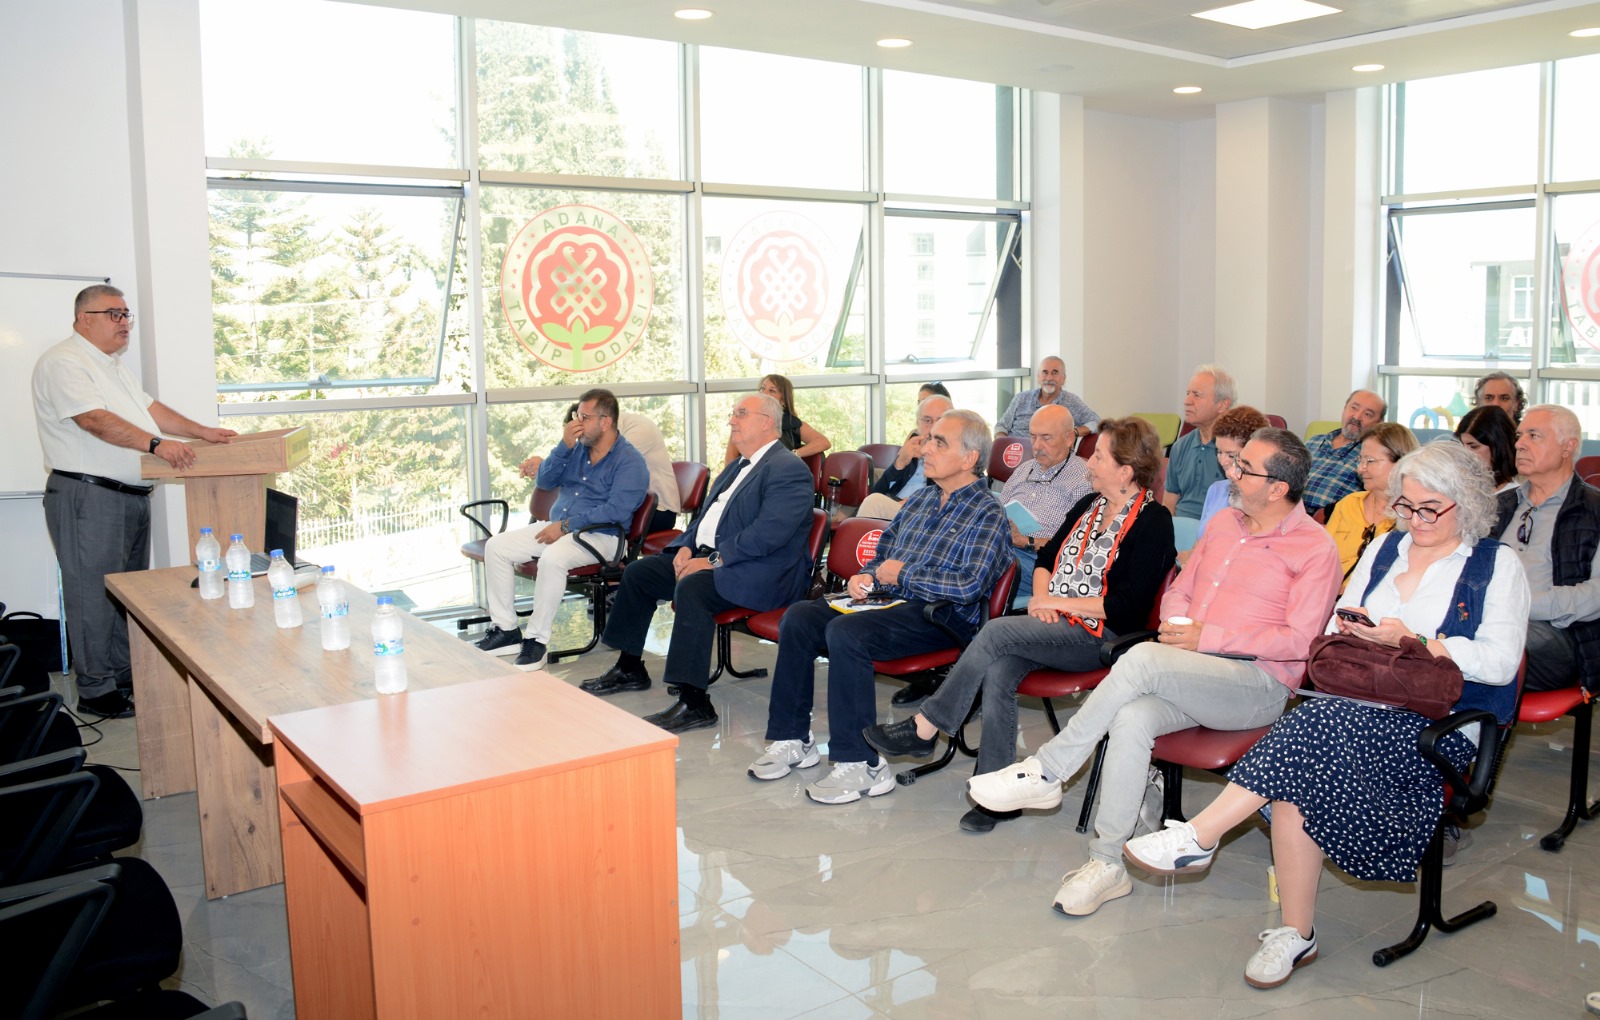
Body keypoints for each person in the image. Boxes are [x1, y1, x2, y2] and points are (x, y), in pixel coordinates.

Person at [1123, 440, 1527, 991]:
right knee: (1299, 771)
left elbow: (1502, 664)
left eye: (1428, 508)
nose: (1413, 519)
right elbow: (1337, 623)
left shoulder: (1495, 565)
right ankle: (1295, 931)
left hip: (1443, 724)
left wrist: (1419, 643)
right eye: (1405, 506)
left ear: (1467, 504)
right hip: (1360, 706)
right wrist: (1357, 630)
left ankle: (1202, 834)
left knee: (1311, 731)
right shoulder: (1387, 547)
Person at [966, 428, 1341, 917]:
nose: (1231, 471)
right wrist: (1179, 620)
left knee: (1138, 659)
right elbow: (1180, 590)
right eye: (1235, 461)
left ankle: (1050, 770)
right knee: (1132, 718)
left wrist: (1210, 636)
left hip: (1257, 685)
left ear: (1277, 488)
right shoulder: (1225, 523)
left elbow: (1299, 643)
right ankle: (1107, 864)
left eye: (1244, 467)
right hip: (1192, 669)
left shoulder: (1315, 548)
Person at [862, 417, 1175, 832]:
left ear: (1125, 470)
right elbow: (1045, 560)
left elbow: (1127, 607)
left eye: (1098, 456)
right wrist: (1044, 598)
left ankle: (927, 726)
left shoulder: (1154, 522)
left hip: (1102, 636)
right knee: (998, 666)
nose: (1089, 463)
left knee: (994, 630)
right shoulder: (1089, 506)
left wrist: (1052, 601)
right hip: (1056, 623)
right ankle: (993, 792)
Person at [751, 409, 1011, 804]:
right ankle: (791, 738)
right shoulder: (921, 500)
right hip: (889, 603)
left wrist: (899, 574)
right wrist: (867, 577)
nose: (926, 446)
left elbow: (968, 586)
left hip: (939, 617)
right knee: (801, 616)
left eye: (939, 441)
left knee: (847, 633)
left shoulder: (988, 512)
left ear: (969, 458)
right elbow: (883, 557)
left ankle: (862, 766)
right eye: (928, 438)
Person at [32, 284, 239, 720]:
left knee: (126, 594)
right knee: (92, 594)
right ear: (83, 318)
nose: (124, 322)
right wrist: (157, 445)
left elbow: (151, 411)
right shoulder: (64, 361)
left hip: (127, 497)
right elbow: (92, 419)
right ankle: (95, 690)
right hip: (88, 496)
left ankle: (123, 677)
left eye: (126, 314)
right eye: (113, 314)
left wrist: (201, 432)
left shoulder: (112, 367)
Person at [579, 393, 815, 733]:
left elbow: (769, 534)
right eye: (733, 414)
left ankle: (695, 702)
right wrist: (686, 548)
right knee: (640, 572)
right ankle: (630, 667)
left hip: (760, 571)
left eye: (741, 414)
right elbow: (702, 521)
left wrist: (714, 560)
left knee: (693, 588)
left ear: (766, 422)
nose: (732, 420)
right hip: (717, 559)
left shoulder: (789, 469)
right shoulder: (737, 465)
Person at [475, 389, 648, 671]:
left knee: (553, 558)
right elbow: (544, 481)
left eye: (584, 416)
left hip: (602, 535)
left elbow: (615, 511)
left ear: (605, 422)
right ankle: (506, 630)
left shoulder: (630, 461)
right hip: (561, 528)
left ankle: (536, 641)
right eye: (576, 415)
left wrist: (566, 526)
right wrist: (564, 445)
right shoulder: (576, 448)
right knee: (497, 547)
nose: (576, 422)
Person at [1493, 404, 1600, 693]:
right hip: (1493, 620)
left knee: (1496, 645)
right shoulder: (1501, 506)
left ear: (1569, 447)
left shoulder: (1594, 509)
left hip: (1561, 635)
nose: (1519, 444)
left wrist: (1523, 603)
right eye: (1519, 435)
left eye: (1534, 436)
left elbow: (1596, 594)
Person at [522, 404, 681, 533]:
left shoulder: (639, 430)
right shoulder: (602, 434)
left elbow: (596, 471)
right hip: (621, 506)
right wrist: (548, 465)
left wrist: (549, 466)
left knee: (580, 526)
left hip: (656, 511)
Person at [995, 404, 1094, 604]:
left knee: (982, 566)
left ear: (1069, 438)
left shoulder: (1085, 479)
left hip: (1041, 563)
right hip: (1003, 550)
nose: (1037, 445)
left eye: (1046, 437)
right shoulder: (1023, 470)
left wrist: (1027, 541)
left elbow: (1078, 548)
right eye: (1033, 436)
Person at [1324, 422, 1418, 585]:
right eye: (1360, 460)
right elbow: (1321, 562)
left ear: (1402, 463)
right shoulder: (1348, 504)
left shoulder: (1415, 516)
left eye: (1370, 461)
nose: (1360, 468)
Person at [1163, 365, 1235, 548]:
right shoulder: (1180, 446)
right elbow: (1169, 503)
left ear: (1222, 404)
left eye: (1197, 395)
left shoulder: (1237, 451)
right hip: (1179, 533)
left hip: (1219, 538)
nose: (1187, 401)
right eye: (1188, 393)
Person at [856, 394, 953, 520]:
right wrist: (900, 462)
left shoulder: (954, 453)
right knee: (873, 502)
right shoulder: (913, 447)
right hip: (895, 507)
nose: (933, 426)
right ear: (917, 423)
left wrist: (913, 502)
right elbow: (877, 492)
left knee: (873, 503)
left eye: (940, 420)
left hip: (923, 513)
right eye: (927, 420)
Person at [1301, 389, 1387, 518]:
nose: (1357, 417)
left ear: (1379, 423)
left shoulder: (1372, 456)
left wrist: (1328, 513)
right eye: (1354, 408)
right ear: (1345, 408)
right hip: (1289, 514)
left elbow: (1377, 498)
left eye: (1368, 414)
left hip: (1330, 521)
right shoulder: (1314, 441)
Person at [1193, 405, 1271, 543]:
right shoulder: (1216, 490)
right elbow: (1199, 544)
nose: (1223, 461)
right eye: (1219, 451)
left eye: (1231, 455)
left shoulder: (1264, 499)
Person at [723, 374, 830, 465]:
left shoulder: (794, 424)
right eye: (762, 388)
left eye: (772, 391)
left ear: (783, 401)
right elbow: (729, 462)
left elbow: (823, 442)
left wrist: (793, 454)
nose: (764, 393)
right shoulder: (742, 422)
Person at [995, 356, 1099, 440]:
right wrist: (1004, 444)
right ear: (1038, 377)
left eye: (1055, 373)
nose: (1049, 378)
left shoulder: (1071, 401)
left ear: (1063, 379)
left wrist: (1074, 432)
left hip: (1052, 461)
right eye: (1045, 372)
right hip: (1016, 456)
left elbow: (1096, 422)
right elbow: (1001, 426)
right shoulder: (1021, 398)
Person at [1454, 404, 1519, 493]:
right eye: (1462, 445)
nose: (1465, 454)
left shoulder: (1516, 498)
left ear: (1498, 446)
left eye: (1473, 446)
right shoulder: (1457, 487)